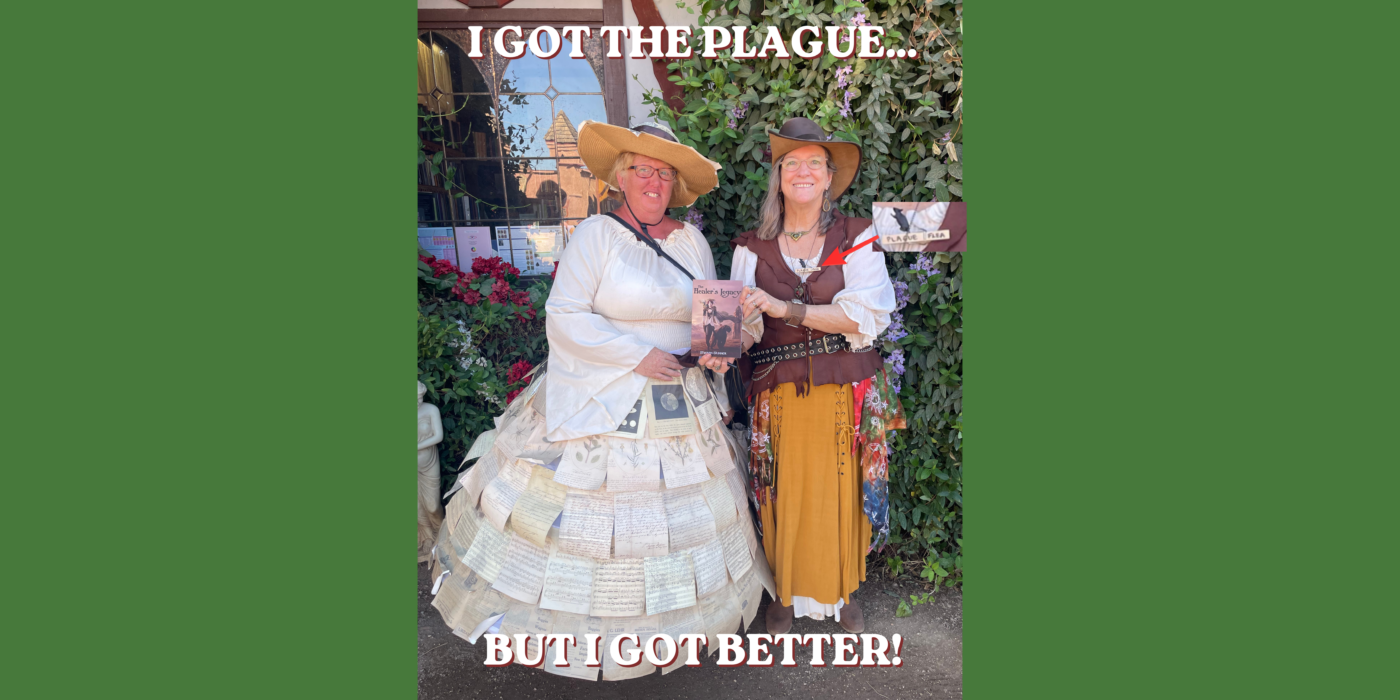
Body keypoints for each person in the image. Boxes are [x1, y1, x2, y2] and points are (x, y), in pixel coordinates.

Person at [427, 121, 773, 680]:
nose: (653, 181)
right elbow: (563, 314)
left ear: (674, 184)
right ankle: (589, 643)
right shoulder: (596, 236)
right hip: (603, 392)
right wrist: (634, 356)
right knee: (593, 520)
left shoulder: (691, 241)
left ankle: (668, 634)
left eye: (663, 173)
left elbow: (711, 313)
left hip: (681, 401)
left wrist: (719, 350)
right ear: (620, 177)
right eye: (642, 169)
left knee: (671, 523)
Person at [731, 117, 901, 635]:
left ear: (829, 178)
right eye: (792, 163)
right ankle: (784, 592)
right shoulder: (748, 249)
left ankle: (843, 587)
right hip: (778, 394)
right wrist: (724, 340)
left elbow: (865, 317)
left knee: (843, 494)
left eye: (814, 163)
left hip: (845, 388)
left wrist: (787, 308)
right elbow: (741, 330)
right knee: (780, 492)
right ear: (778, 176)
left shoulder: (855, 237)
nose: (802, 171)